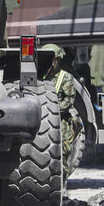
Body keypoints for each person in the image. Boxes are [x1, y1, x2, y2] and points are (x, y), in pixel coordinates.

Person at [42, 44, 83, 177]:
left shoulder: (65, 77)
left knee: (63, 153)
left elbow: (68, 101)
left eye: (54, 59)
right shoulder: (43, 75)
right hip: (43, 121)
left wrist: (52, 109)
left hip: (61, 121)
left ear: (58, 60)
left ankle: (61, 183)